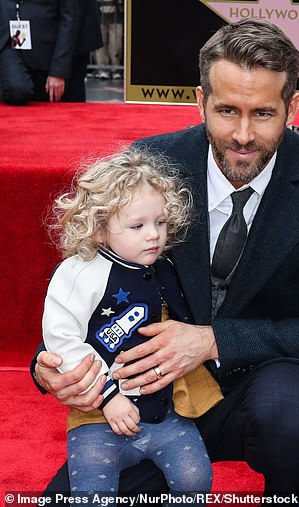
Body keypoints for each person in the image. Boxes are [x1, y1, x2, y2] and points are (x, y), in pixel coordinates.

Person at [32, 18, 299, 502]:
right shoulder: (150, 164)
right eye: (227, 110)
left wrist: (213, 340)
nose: (243, 134)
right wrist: (48, 367)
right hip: (146, 399)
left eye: (263, 114)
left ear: (293, 107)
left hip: (266, 380)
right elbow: (80, 283)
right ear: (200, 101)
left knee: (292, 416)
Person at [43, 149, 219, 500]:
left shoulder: (165, 266)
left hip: (165, 412)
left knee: (197, 480)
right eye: (137, 226)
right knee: (91, 495)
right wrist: (108, 398)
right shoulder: (79, 273)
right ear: (100, 228)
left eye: (161, 222)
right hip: (96, 415)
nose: (153, 235)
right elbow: (60, 340)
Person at [0, 0, 79, 105]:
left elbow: (69, 18)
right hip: (8, 42)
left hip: (45, 53)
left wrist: (58, 71)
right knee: (17, 90)